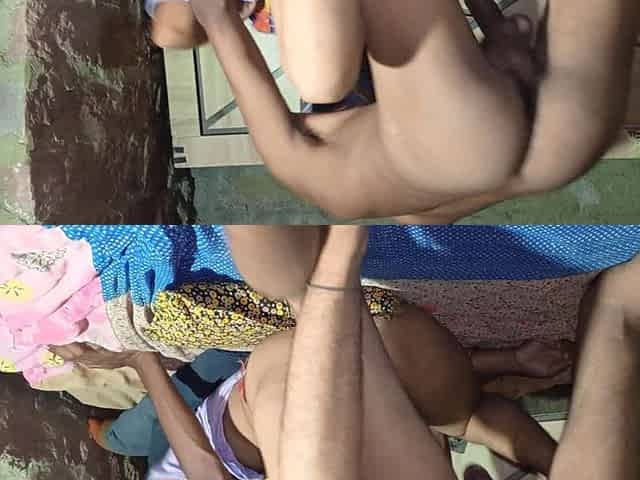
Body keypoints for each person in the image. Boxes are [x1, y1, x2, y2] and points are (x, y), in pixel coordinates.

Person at [53, 226, 571, 479]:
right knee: (127, 431)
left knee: (462, 416)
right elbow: (203, 464)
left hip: (375, 345)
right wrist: (140, 358)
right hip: (299, 352)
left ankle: (511, 364)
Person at [150, 0, 639, 222]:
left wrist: (496, 35)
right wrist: (218, 19)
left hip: (558, 156)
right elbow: (214, 34)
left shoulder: (360, 185)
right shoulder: (315, 164)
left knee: (325, 73)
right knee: (321, 74)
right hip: (469, 139)